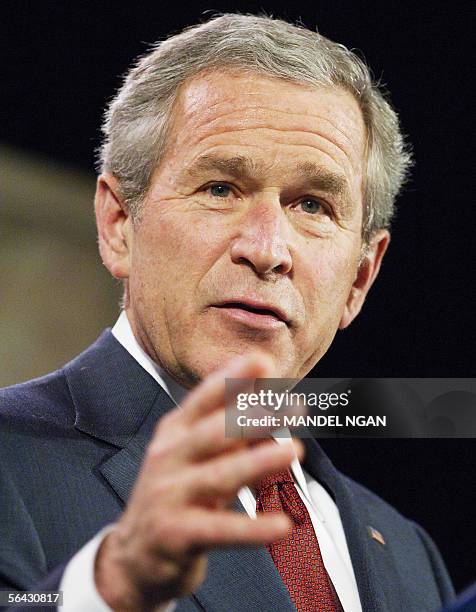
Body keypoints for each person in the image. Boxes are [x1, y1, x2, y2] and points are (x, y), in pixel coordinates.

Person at [0, 13, 455, 612]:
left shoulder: (408, 551)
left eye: (314, 205)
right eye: (220, 188)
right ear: (118, 226)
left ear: (360, 279)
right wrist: (111, 587)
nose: (266, 250)